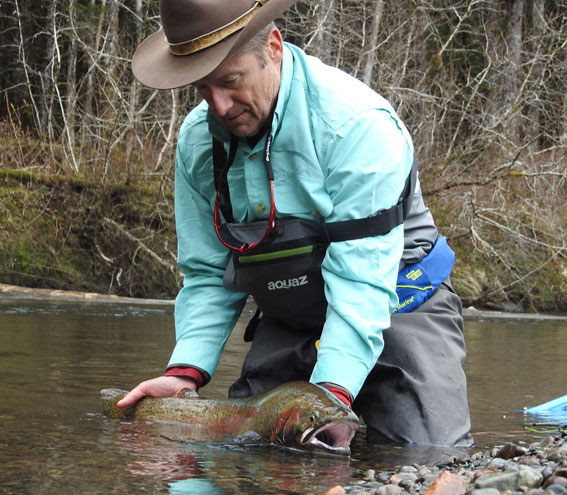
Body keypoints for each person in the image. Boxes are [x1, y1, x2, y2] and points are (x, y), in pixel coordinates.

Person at [118, 0, 472, 446]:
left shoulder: (355, 126)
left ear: (274, 46)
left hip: (399, 301)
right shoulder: (197, 143)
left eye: (230, 81)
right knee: (252, 454)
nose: (220, 106)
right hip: (290, 313)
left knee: (419, 460)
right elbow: (209, 273)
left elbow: (361, 284)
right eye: (202, 89)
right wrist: (185, 370)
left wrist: (326, 401)